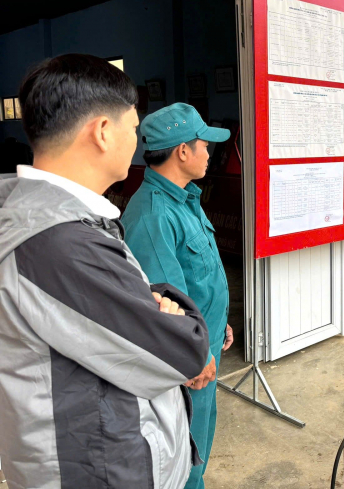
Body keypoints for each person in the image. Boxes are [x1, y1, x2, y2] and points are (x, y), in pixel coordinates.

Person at [0, 54, 210, 489]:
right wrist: (165, 310)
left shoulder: (58, 222)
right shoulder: (57, 244)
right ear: (102, 131)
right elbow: (180, 351)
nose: (137, 141)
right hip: (100, 469)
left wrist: (146, 300)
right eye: (133, 128)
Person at [121, 103, 232, 489]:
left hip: (205, 344)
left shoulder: (183, 199)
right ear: (182, 151)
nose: (209, 153)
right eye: (204, 145)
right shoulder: (153, 215)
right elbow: (165, 305)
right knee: (187, 456)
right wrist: (197, 353)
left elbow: (193, 281)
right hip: (189, 363)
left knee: (200, 439)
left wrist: (219, 320)